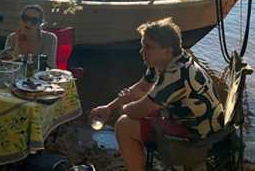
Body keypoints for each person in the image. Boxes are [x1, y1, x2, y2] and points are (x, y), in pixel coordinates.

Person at [89, 18, 224, 171]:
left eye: (148, 47)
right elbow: (141, 87)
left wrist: (124, 107)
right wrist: (108, 107)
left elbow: (135, 111)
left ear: (167, 50)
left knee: (124, 124)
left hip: (198, 142)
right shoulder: (164, 62)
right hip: (190, 123)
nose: (141, 51)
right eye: (142, 45)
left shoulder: (177, 74)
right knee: (143, 107)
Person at [4, 4, 58, 69]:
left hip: (40, 77)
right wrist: (17, 44)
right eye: (25, 18)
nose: (28, 23)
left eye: (34, 20)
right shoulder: (12, 38)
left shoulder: (50, 39)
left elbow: (50, 66)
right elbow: (8, 65)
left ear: (40, 23)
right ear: (21, 20)